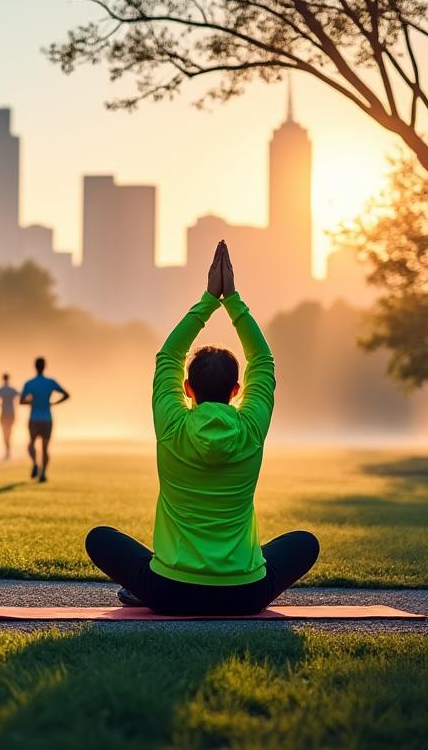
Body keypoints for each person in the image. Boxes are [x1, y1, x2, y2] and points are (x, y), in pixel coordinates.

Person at [84, 241, 319, 615]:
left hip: (169, 592)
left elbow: (167, 358)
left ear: (187, 389)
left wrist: (209, 299)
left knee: (100, 539)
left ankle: (142, 587)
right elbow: (263, 360)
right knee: (305, 543)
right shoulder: (249, 428)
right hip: (245, 595)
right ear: (237, 391)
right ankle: (236, 576)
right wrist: (232, 300)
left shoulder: (173, 426)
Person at [20, 358, 69, 483]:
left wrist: (31, 401)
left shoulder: (29, 383)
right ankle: (42, 473)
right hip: (47, 418)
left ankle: (35, 464)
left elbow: (21, 401)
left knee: (31, 444)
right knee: (45, 448)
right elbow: (66, 395)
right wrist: (54, 403)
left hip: (34, 418)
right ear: (44, 366)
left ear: (35, 366)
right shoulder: (50, 382)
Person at [0, 373, 20, 460]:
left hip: (4, 414)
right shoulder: (12, 389)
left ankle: (7, 450)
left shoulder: (1, 390)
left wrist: (0, 404)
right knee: (9, 432)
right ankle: (8, 450)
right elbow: (21, 398)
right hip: (11, 413)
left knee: (5, 433)